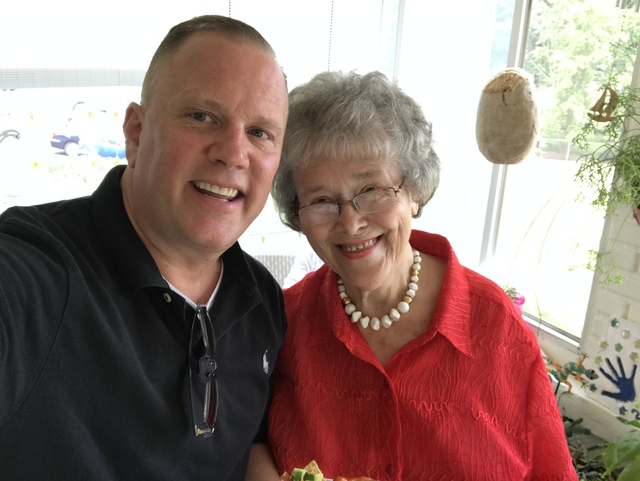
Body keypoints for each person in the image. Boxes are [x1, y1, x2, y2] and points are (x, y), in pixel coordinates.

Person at [0, 15, 288, 481]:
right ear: (135, 132)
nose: (234, 153)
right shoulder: (38, 270)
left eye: (260, 132)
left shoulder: (264, 301)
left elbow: (250, 443)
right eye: (202, 116)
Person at [267, 71, 576, 480]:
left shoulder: (493, 322)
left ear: (413, 192)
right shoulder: (283, 325)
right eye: (321, 200)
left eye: (372, 190)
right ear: (298, 214)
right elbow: (244, 446)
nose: (350, 222)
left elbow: (550, 470)